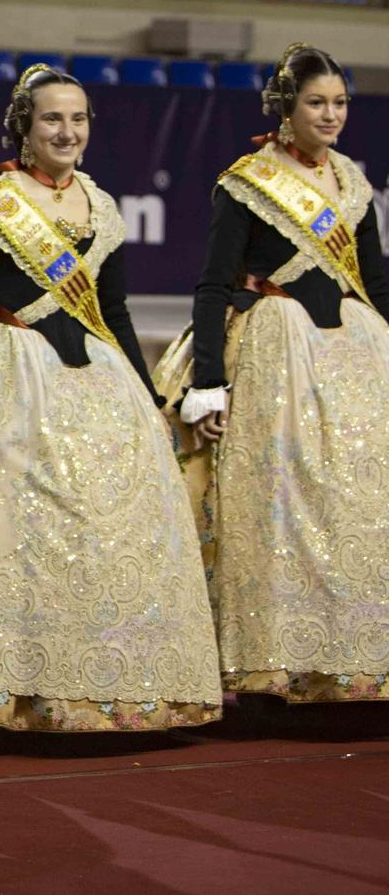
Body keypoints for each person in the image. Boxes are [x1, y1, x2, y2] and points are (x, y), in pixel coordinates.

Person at [0, 65, 220, 731]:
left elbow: (111, 310)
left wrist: (151, 401)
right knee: (22, 535)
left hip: (100, 379)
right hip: (13, 373)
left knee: (109, 530)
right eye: (53, 117)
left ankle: (113, 689)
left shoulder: (102, 204)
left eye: (78, 118)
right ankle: (20, 689)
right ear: (25, 126)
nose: (67, 130)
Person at [155, 43, 389, 704]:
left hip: (358, 355)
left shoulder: (352, 183)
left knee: (363, 501)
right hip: (278, 346)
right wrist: (206, 379)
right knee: (285, 501)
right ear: (288, 108)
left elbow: (376, 283)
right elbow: (212, 285)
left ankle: (357, 659)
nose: (331, 113)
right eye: (317, 102)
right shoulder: (248, 181)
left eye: (340, 102)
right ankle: (275, 661)